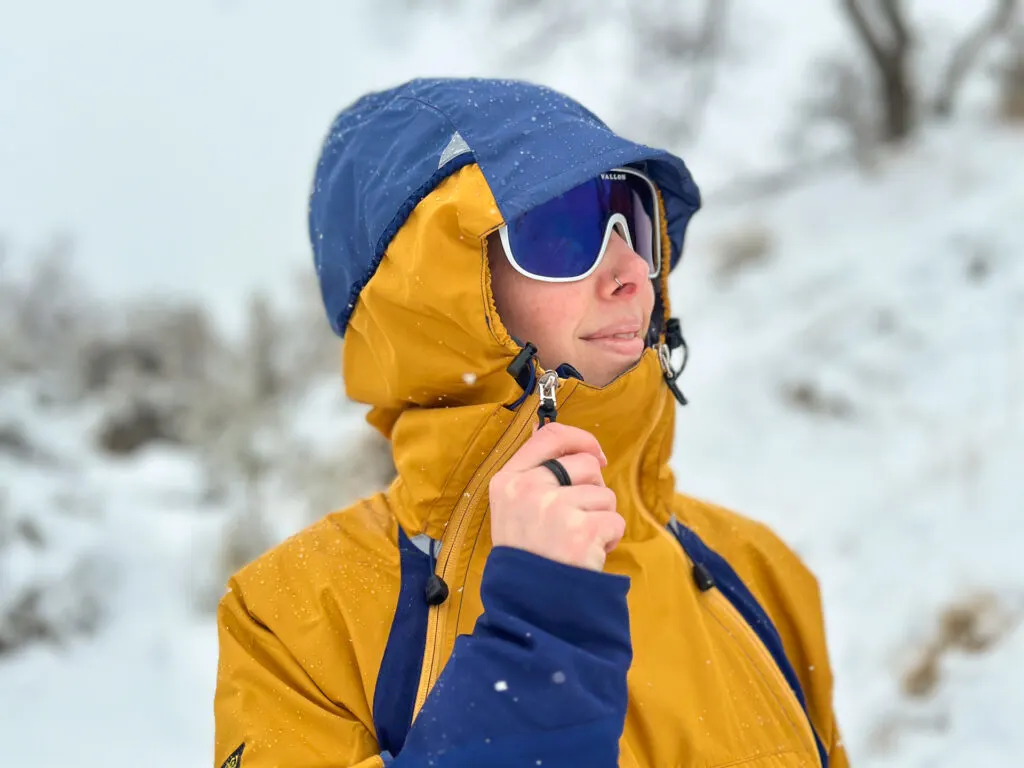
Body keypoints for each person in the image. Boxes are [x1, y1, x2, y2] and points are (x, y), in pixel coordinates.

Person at [213, 77, 849, 768]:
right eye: (564, 229)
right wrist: (536, 638)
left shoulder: (761, 570)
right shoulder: (295, 619)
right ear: (434, 294)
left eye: (632, 221)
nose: (633, 271)